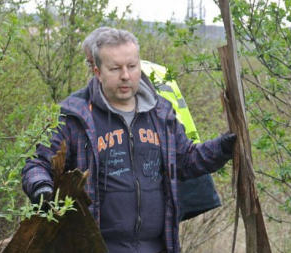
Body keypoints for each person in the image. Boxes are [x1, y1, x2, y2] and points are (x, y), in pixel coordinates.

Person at [22, 28, 236, 253]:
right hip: (96, 249)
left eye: (132, 66)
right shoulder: (74, 117)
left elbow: (187, 160)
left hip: (158, 249)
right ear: (97, 71)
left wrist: (224, 147)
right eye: (115, 68)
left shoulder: (161, 113)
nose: (125, 75)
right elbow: (37, 164)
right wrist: (42, 190)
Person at [82, 27, 221, 221]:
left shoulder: (129, 82)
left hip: (172, 166)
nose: (91, 69)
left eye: (91, 61)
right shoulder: (154, 70)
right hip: (190, 162)